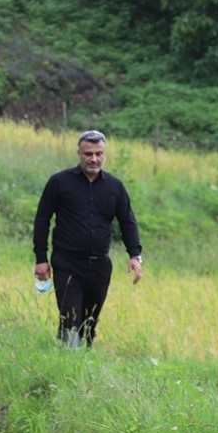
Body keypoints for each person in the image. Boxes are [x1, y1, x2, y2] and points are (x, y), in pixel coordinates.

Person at [32, 130, 143, 348]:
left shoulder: (115, 186)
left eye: (99, 154)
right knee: (70, 316)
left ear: (105, 154)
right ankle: (68, 363)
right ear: (79, 153)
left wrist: (135, 255)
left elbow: (127, 221)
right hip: (67, 262)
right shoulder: (59, 182)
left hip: (99, 265)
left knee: (90, 320)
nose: (94, 159)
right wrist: (41, 258)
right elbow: (42, 219)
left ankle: (84, 360)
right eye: (88, 154)